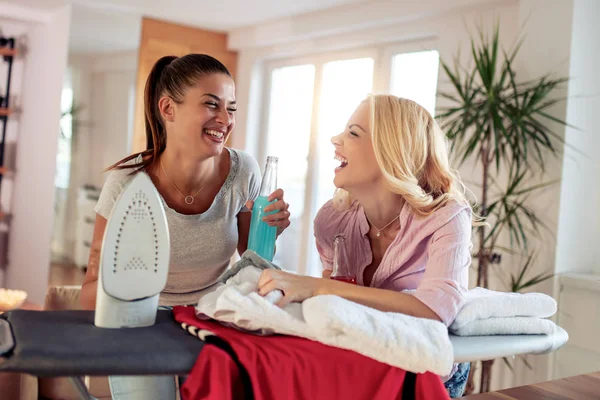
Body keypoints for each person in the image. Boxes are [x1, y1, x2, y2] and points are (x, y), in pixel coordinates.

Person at [80, 54, 291, 400]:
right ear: (168, 109)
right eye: (211, 105)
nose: (225, 119)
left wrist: (269, 232)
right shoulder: (128, 184)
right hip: (141, 325)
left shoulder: (245, 172)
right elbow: (90, 288)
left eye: (231, 108)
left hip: (214, 318)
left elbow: (251, 260)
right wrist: (122, 287)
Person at [256, 95, 473, 398]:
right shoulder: (331, 221)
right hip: (366, 362)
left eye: (353, 133)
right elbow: (339, 303)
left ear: (390, 152)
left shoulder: (446, 217)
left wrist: (318, 287)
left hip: (430, 371)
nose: (335, 140)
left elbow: (435, 311)